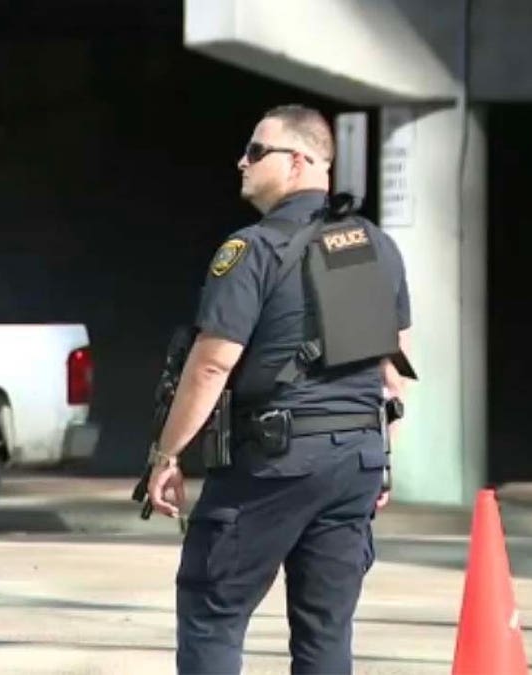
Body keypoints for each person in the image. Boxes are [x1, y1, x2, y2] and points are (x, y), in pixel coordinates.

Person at [146, 105, 413, 674]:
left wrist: (165, 456)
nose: (241, 161)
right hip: (355, 468)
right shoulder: (374, 246)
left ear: (297, 162)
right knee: (325, 633)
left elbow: (210, 367)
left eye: (255, 151)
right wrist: (382, 460)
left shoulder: (251, 251)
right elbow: (391, 372)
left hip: (273, 465)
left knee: (211, 611)